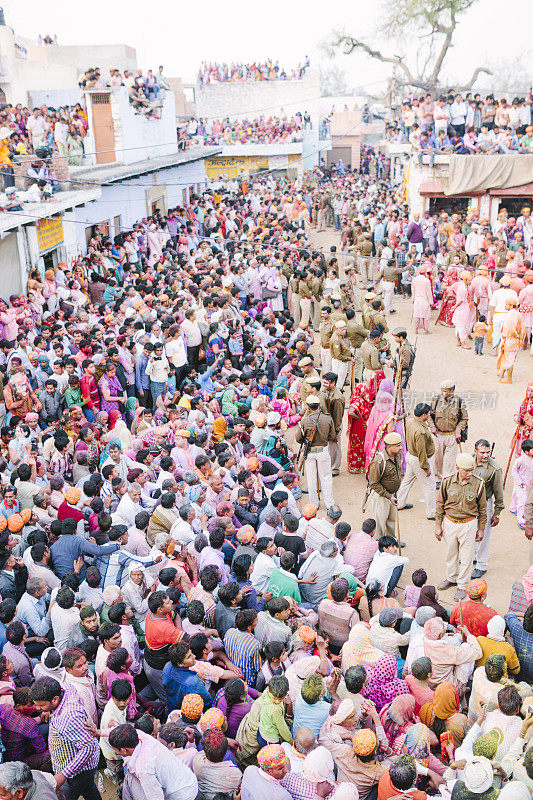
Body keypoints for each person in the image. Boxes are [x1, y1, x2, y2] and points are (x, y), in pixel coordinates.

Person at [436, 452, 487, 601]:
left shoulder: (478, 484)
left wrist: (481, 528)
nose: (470, 473)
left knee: (467, 557)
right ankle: (451, 578)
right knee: (451, 553)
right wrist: (438, 525)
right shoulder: (447, 481)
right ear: (458, 468)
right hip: (450, 522)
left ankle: (462, 586)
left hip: (469, 524)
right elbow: (440, 504)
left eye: (472, 470)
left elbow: (483, 508)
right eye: (466, 470)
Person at [109, 723, 198, 800]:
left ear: (124, 750)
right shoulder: (144, 738)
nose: (116, 753)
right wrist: (99, 732)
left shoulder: (143, 769)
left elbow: (155, 797)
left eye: (116, 751)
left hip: (182, 796)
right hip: (189, 781)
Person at [294, 395, 336, 509]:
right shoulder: (328, 418)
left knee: (311, 479)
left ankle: (314, 504)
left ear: (308, 407)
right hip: (323, 451)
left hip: (310, 453)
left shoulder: (304, 421)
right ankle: (329, 504)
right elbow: (332, 436)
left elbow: (298, 439)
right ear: (319, 406)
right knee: (326, 478)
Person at [471, 438, 504, 579]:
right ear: (475, 451)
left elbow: (498, 493)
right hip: (470, 503)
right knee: (471, 530)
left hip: (486, 504)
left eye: (488, 452)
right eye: (482, 452)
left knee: (484, 534)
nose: (485, 455)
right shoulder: (468, 463)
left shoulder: (494, 468)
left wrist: (496, 513)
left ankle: (481, 565)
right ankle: (473, 556)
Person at [397, 402, 436, 520]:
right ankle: (431, 513)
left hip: (410, 456)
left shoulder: (410, 421)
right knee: (430, 486)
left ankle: (399, 502)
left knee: (407, 481)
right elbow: (422, 452)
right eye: (428, 413)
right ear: (424, 415)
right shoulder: (420, 431)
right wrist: (426, 468)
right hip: (419, 460)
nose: (429, 415)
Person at [429, 380, 468, 482]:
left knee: (450, 462)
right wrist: (432, 426)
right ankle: (437, 479)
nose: (443, 393)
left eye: (446, 391)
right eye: (442, 391)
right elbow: (428, 415)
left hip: (452, 436)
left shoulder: (459, 402)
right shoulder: (435, 400)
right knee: (437, 459)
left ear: (452, 391)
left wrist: (458, 430)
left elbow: (464, 419)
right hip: (438, 435)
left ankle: (447, 481)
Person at [367, 432, 403, 539]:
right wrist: (388, 496)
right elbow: (373, 483)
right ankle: (380, 546)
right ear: (389, 447)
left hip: (392, 495)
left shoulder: (397, 456)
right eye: (397, 446)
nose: (401, 448)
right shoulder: (379, 461)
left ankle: (390, 542)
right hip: (381, 497)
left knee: (391, 521)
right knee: (380, 523)